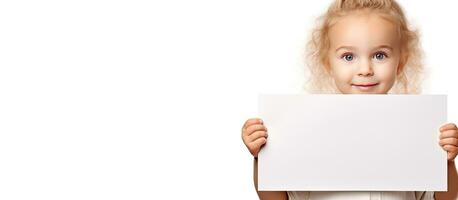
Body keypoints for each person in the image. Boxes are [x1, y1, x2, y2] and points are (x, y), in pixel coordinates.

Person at [241, 0, 458, 199]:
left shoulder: (416, 130)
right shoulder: (307, 127)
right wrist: (263, 157)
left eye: (380, 55)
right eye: (348, 56)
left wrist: (445, 162)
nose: (365, 69)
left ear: (400, 62)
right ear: (328, 64)